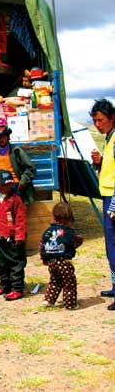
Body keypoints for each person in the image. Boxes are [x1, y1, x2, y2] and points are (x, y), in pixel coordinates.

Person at [0, 170, 27, 301]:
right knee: (1, 263)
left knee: (15, 263)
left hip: (12, 238)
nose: (7, 187)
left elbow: (21, 219)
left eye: (9, 184)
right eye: (3, 185)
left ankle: (17, 288)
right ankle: (5, 285)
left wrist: (20, 236)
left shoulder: (16, 200)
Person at [89, 98, 115, 311]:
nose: (98, 124)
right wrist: (100, 162)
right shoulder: (110, 138)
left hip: (113, 199)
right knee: (111, 246)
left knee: (114, 246)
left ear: (112, 118)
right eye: (95, 120)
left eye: (100, 120)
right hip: (108, 196)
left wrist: (114, 205)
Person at [39, 202, 83, 310]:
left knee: (55, 281)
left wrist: (44, 259)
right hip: (64, 262)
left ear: (54, 216)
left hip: (52, 262)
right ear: (69, 217)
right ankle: (70, 304)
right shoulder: (70, 232)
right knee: (69, 283)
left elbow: (42, 245)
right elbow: (78, 240)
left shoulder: (48, 232)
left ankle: (49, 300)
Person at [0, 125, 36, 204]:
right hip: (0, 188)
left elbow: (31, 169)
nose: (1, 139)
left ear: (8, 137)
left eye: (3, 137)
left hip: (15, 186)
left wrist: (22, 183)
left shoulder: (16, 152)